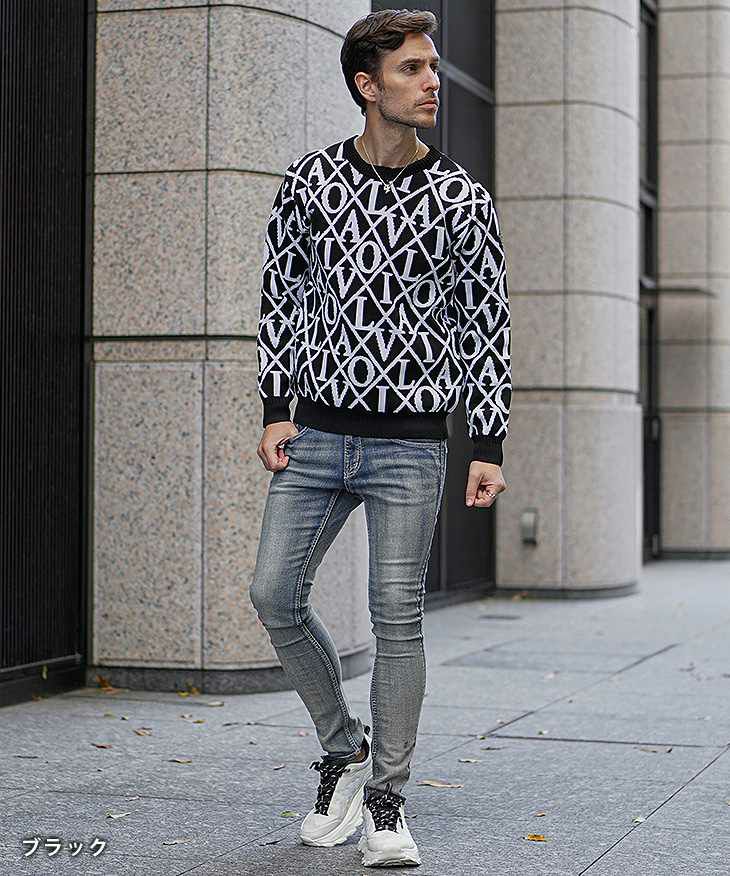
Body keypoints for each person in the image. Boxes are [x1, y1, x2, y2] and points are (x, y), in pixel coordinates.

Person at [249, 8, 511, 868]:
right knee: (273, 594)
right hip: (318, 435)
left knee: (397, 619)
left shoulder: (462, 197)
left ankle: (388, 803)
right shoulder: (310, 181)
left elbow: (486, 325)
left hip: (410, 447)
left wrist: (487, 444)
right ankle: (345, 751)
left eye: (432, 67)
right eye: (411, 69)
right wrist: (276, 407)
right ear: (368, 85)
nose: (431, 81)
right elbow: (283, 297)